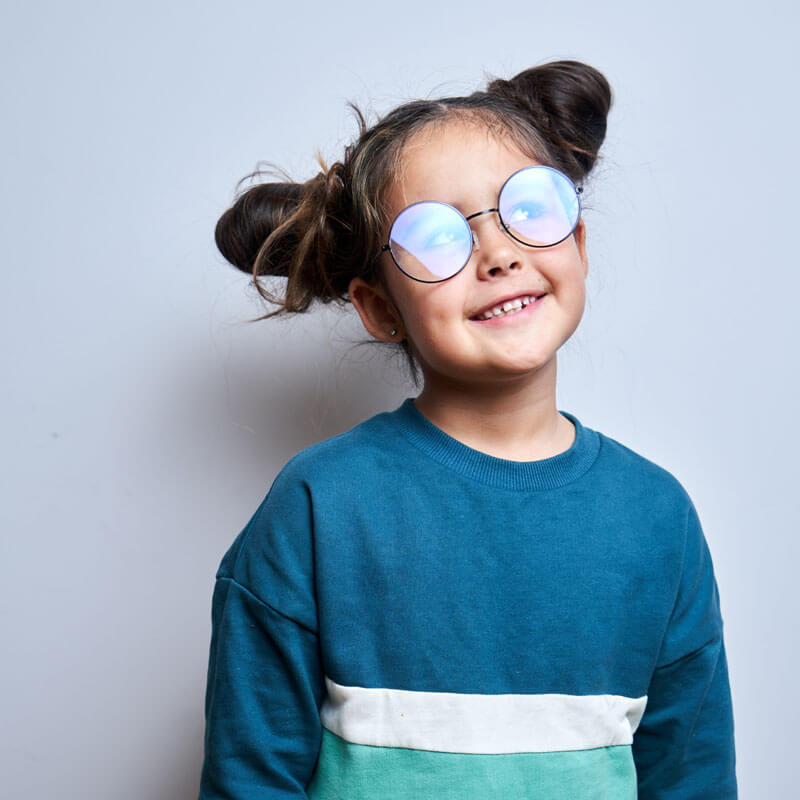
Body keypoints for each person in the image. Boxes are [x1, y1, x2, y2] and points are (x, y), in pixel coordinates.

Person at [197, 60, 737, 799]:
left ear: (577, 245)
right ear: (380, 308)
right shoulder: (320, 504)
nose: (499, 252)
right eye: (435, 236)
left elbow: (692, 778)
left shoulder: (658, 518)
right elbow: (249, 778)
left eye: (532, 208)